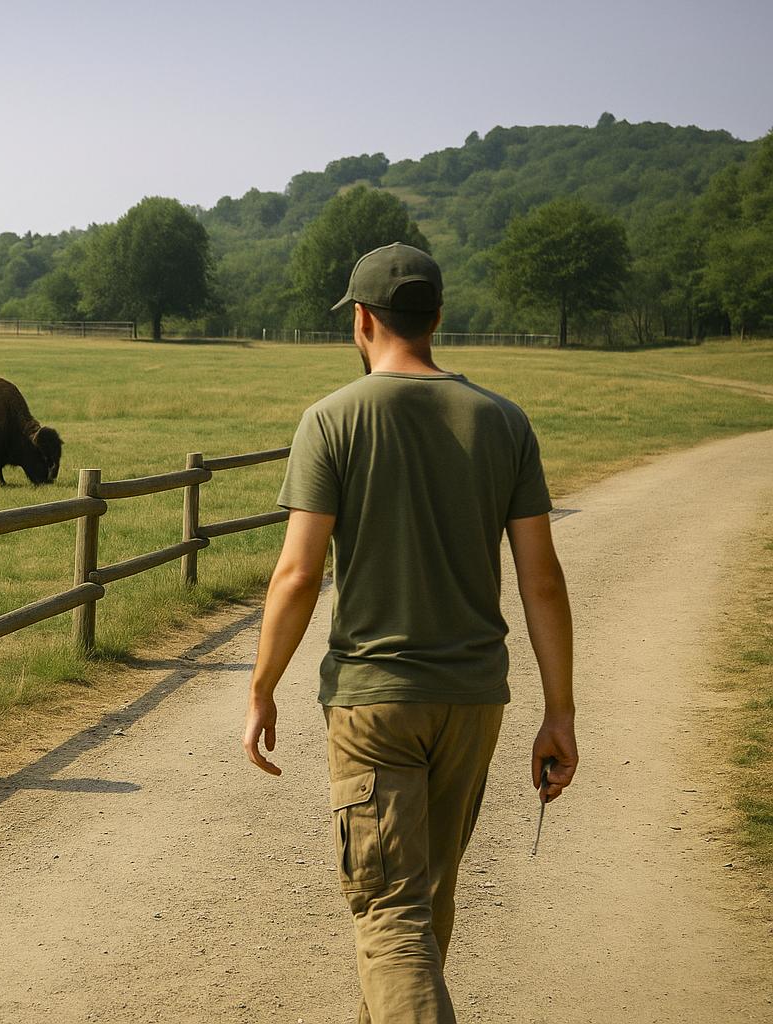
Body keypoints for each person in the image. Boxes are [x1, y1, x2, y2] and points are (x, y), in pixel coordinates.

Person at [242, 243, 579, 1023]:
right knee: (420, 908)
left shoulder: (333, 419)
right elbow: (543, 580)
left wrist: (261, 687)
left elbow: (296, 576)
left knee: (391, 915)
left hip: (373, 703)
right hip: (471, 702)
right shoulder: (503, 421)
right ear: (435, 318)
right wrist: (558, 711)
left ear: (361, 321)